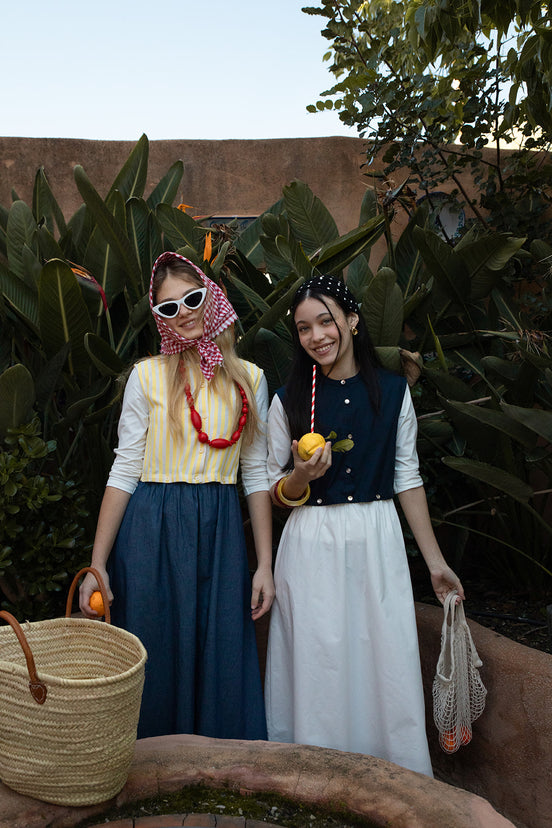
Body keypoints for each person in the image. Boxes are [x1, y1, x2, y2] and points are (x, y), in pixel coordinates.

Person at [264, 274, 464, 776]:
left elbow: (407, 479)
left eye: (326, 321)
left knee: (384, 658)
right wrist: (300, 478)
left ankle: (392, 780)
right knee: (318, 662)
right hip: (310, 543)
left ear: (351, 320)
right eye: (304, 328)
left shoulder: (394, 393)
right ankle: (314, 780)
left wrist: (436, 563)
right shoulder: (287, 399)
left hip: (377, 540)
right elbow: (276, 493)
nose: (316, 337)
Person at [79, 251, 274, 740]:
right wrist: (98, 564)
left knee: (219, 645)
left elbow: (254, 473)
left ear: (211, 296)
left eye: (192, 298)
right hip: (151, 525)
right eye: (168, 307)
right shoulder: (146, 377)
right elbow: (124, 469)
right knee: (153, 642)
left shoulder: (250, 379)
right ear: (158, 318)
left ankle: (219, 775)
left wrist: (264, 565)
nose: (183, 312)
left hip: (220, 527)